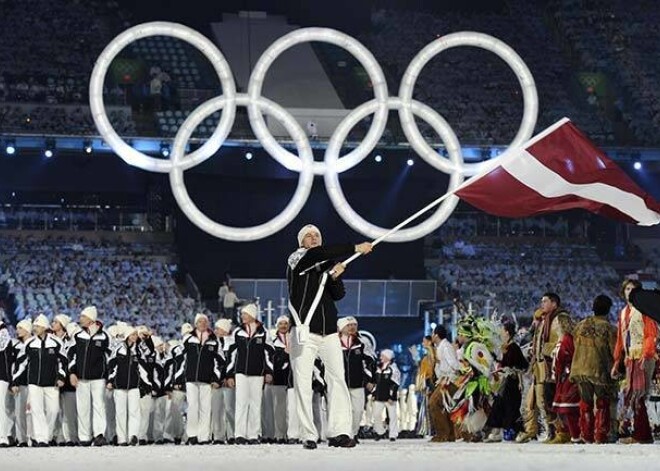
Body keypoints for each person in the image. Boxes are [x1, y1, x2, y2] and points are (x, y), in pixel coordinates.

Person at [286, 223, 373, 449]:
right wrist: (355, 247)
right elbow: (318, 254)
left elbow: (338, 295)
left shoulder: (326, 264)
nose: (314, 238)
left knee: (337, 379)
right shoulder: (297, 259)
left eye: (317, 235)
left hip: (329, 332)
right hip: (303, 330)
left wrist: (335, 277)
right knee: (303, 382)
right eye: (309, 236)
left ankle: (339, 431)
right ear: (301, 241)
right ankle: (308, 434)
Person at [517, 294, 571, 443]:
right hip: (539, 365)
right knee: (539, 401)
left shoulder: (560, 318)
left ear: (554, 303)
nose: (542, 304)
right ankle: (549, 431)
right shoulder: (543, 320)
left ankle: (559, 432)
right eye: (541, 301)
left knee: (548, 399)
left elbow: (565, 341)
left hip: (552, 365)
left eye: (545, 301)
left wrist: (547, 350)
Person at [612, 279, 657, 444]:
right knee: (630, 395)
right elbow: (620, 339)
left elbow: (651, 334)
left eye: (633, 289)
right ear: (623, 292)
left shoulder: (645, 310)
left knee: (638, 396)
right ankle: (639, 432)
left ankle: (642, 435)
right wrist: (617, 361)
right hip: (630, 357)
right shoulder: (623, 312)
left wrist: (647, 354)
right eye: (627, 288)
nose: (630, 292)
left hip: (643, 355)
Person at [13, 314, 66, 446]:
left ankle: (46, 436)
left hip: (52, 383)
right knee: (37, 410)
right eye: (34, 326)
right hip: (34, 382)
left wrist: (61, 376)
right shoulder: (29, 343)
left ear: (44, 327)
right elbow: (21, 363)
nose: (35, 328)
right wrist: (15, 381)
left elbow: (63, 362)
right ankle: (41, 438)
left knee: (54, 410)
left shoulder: (56, 342)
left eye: (37, 326)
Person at [570, 294, 617, 444]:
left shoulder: (580, 325)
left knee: (585, 403)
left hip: (579, 368)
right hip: (599, 370)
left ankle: (586, 435)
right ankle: (600, 435)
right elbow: (614, 351)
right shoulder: (609, 328)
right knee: (602, 403)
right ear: (609, 310)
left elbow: (574, 344)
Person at [225, 304, 274, 444]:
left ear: (252, 315)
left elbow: (269, 354)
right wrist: (229, 375)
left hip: (258, 374)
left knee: (255, 404)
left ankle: (253, 434)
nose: (242, 317)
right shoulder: (237, 332)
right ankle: (240, 434)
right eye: (242, 314)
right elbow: (231, 354)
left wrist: (269, 372)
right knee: (241, 403)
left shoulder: (263, 332)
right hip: (241, 372)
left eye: (244, 314)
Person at [177, 313, 224, 445]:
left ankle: (204, 436)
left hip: (207, 379)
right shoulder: (188, 339)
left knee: (205, 407)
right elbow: (180, 359)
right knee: (192, 407)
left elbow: (220, 360)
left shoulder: (214, 340)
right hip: (191, 378)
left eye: (205, 321)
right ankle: (192, 434)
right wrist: (179, 378)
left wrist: (216, 378)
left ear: (208, 323)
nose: (202, 323)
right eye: (200, 321)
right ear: (195, 324)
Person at [68, 306, 111, 447]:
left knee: (99, 406)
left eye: (83, 317)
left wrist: (109, 377)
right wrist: (72, 372)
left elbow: (111, 357)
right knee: (83, 407)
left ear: (91, 319)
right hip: (81, 377)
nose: (80, 319)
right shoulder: (77, 336)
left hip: (99, 377)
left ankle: (99, 435)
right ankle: (84, 436)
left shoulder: (104, 336)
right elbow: (71, 355)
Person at [485, 321, 528, 442]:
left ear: (507, 333)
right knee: (499, 405)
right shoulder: (506, 347)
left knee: (511, 408)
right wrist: (496, 359)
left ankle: (520, 432)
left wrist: (512, 369)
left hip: (512, 383)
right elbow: (505, 363)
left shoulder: (514, 347)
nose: (501, 334)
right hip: (505, 382)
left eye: (502, 331)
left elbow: (523, 365)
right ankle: (496, 432)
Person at [338, 316, 375, 442]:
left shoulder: (362, 342)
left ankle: (353, 434)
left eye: (354, 325)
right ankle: (343, 434)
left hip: (358, 383)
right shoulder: (334, 343)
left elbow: (370, 362)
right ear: (342, 327)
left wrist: (371, 380)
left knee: (358, 410)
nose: (352, 327)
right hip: (340, 384)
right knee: (342, 411)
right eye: (349, 325)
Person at [106, 325, 144, 446]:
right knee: (120, 413)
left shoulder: (138, 350)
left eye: (136, 335)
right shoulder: (118, 349)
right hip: (119, 385)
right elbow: (112, 365)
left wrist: (144, 383)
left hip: (134, 385)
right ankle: (122, 439)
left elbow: (142, 368)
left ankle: (133, 436)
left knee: (135, 412)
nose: (135, 337)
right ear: (127, 335)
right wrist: (111, 380)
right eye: (133, 334)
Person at [428, 324, 460, 442]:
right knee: (444, 407)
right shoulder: (441, 347)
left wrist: (450, 377)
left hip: (449, 380)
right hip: (445, 379)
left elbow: (454, 364)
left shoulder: (446, 347)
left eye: (432, 334)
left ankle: (442, 434)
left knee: (433, 403)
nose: (432, 336)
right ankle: (450, 434)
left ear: (436, 335)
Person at [550, 316, 580, 444]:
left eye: (556, 322)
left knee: (570, 409)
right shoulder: (561, 339)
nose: (553, 325)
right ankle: (567, 433)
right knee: (565, 409)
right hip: (561, 378)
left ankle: (576, 435)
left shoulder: (568, 339)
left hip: (568, 378)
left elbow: (570, 357)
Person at [51, 314, 77, 446]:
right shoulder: (49, 339)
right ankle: (57, 436)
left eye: (56, 322)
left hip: (67, 381)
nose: (53, 324)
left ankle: (70, 437)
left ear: (62, 325)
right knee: (54, 410)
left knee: (69, 411)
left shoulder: (70, 340)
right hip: (52, 379)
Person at [269, 315, 292, 444]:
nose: (283, 326)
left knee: (292, 408)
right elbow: (272, 359)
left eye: (285, 323)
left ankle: (292, 433)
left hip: (293, 379)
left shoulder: (294, 339)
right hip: (279, 378)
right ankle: (280, 434)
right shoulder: (273, 341)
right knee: (279, 408)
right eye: (281, 324)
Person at [211, 318, 234, 444]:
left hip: (229, 381)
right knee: (216, 409)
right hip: (216, 381)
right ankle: (218, 435)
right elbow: (212, 363)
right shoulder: (213, 343)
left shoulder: (233, 343)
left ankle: (232, 434)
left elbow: (232, 363)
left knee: (230, 409)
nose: (215, 331)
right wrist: (216, 379)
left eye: (218, 328)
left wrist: (229, 377)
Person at [11, 319, 33, 447]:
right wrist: (14, 382)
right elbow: (16, 367)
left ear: (27, 329)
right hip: (21, 383)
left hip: (34, 383)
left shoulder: (34, 344)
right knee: (19, 412)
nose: (17, 330)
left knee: (31, 412)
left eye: (20, 328)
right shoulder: (16, 346)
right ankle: (22, 439)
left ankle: (33, 437)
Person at [372, 349, 400, 442]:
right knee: (376, 414)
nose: (380, 358)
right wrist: (374, 393)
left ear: (388, 357)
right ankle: (380, 432)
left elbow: (395, 384)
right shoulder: (378, 368)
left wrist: (391, 397)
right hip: (379, 396)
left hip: (389, 398)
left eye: (382, 356)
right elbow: (376, 383)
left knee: (392, 416)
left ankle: (393, 434)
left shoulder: (394, 369)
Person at [411, 335, 436, 437]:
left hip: (431, 382)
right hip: (427, 382)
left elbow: (431, 368)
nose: (422, 343)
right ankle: (429, 429)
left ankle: (432, 429)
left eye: (424, 341)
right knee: (427, 406)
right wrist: (416, 357)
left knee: (430, 407)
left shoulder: (432, 353)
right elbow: (422, 368)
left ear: (429, 342)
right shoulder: (427, 355)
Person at [0, 319, 15, 448]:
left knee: (0, 408)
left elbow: (6, 360)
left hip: (1, 377)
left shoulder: (3, 334)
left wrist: (9, 380)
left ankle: (2, 437)